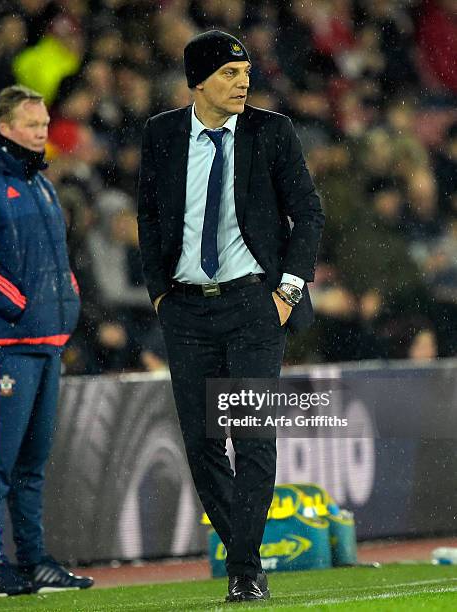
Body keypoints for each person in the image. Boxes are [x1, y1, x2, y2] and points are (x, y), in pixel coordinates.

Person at [137, 31, 324, 603]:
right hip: (186, 309)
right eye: (228, 74)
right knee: (200, 442)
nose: (243, 82)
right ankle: (247, 558)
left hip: (254, 305)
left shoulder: (272, 131)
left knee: (252, 435)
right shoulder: (162, 135)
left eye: (245, 73)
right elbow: (149, 219)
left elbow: (308, 214)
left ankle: (243, 568)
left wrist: (288, 292)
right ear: (197, 81)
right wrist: (160, 298)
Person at [0, 85, 93, 598]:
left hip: (45, 339)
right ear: (5, 127)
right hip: (2, 342)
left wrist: (65, 300)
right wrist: (20, 305)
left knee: (31, 463)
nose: (43, 132)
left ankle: (34, 561)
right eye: (33, 125)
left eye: (45, 124)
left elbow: (58, 257)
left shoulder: (40, 183)